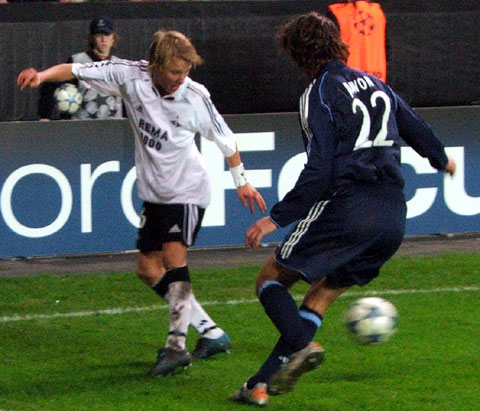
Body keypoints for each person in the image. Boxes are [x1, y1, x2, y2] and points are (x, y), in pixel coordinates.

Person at [229, 12, 456, 406]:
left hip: (349, 206)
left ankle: (302, 346)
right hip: (392, 217)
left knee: (270, 281)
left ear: (297, 54)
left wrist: (275, 218)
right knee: (320, 297)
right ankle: (259, 385)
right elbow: (415, 126)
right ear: (336, 42)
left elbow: (320, 170)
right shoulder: (376, 83)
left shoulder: (318, 93)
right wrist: (442, 159)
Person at [17, 30, 267, 377]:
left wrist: (242, 181)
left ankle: (176, 347)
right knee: (148, 270)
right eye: (175, 72)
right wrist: (41, 76)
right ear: (155, 66)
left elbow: (226, 141)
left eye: (186, 71)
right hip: (156, 193)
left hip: (188, 190)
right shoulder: (129, 75)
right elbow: (74, 70)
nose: (181, 78)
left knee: (174, 259)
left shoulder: (194, 97)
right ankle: (212, 333)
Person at [38, 17, 124, 121]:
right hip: (82, 126)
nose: (103, 39)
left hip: (114, 127)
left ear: (113, 38)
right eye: (98, 35)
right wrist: (45, 115)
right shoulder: (77, 61)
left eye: (107, 34)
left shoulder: (120, 66)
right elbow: (51, 84)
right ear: (91, 38)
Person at [327, 0, 387, 82]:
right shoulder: (377, 13)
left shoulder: (337, 13)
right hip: (377, 80)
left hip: (347, 81)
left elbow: (329, 52)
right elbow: (386, 50)